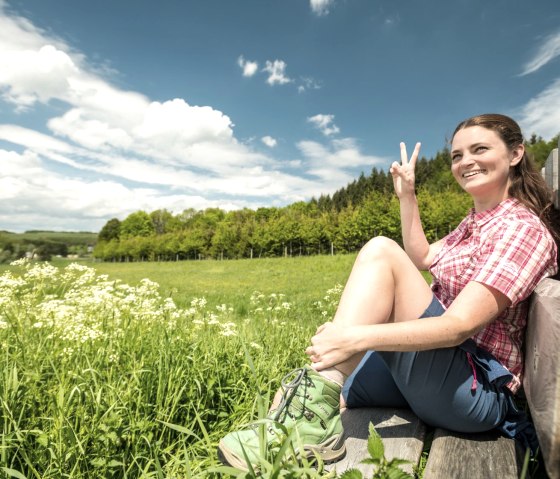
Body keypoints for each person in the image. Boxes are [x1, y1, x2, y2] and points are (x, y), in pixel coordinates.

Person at [218, 113, 559, 470]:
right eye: (457, 155)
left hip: (475, 389)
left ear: (516, 153)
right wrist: (407, 195)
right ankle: (301, 424)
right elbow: (424, 256)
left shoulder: (521, 229)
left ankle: (307, 425)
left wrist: (354, 338)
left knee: (381, 251)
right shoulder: (474, 223)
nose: (466, 162)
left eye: (480, 149)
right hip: (441, 366)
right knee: (317, 392)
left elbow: (459, 325)